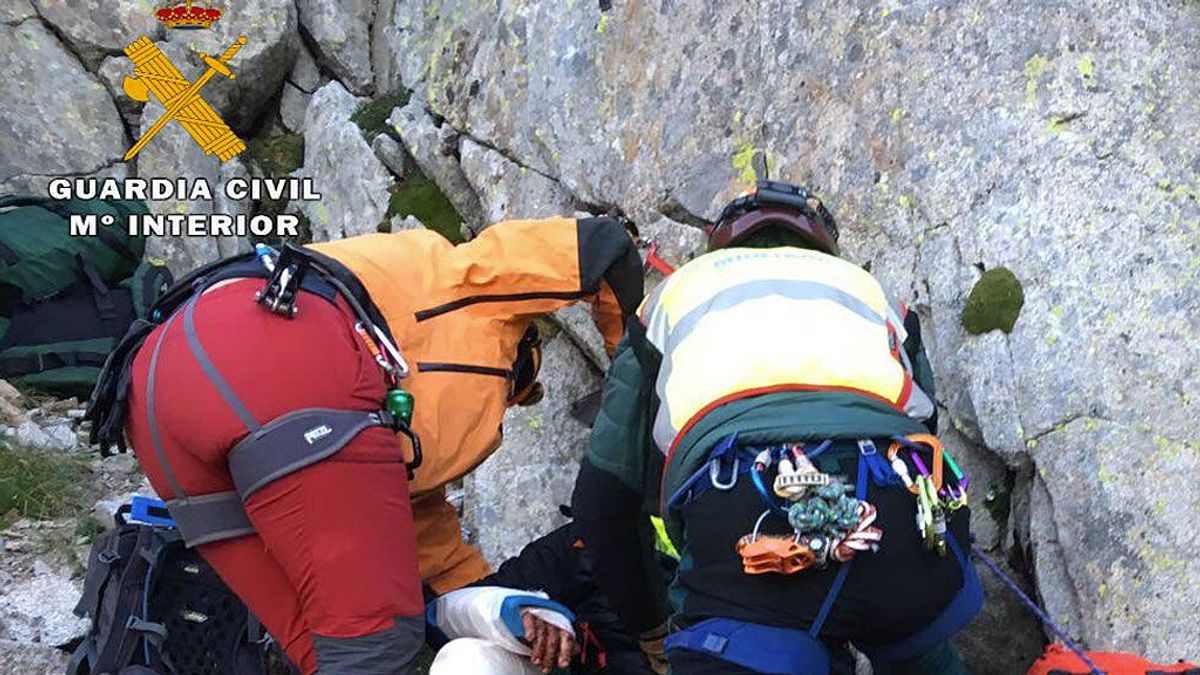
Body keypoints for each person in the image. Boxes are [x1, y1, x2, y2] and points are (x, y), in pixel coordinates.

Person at [86, 215, 643, 674]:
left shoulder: (389, 455)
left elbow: (439, 571)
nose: (501, 411)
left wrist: (509, 610)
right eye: (513, 391)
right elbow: (604, 247)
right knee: (374, 650)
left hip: (158, 396)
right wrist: (632, 401)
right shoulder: (477, 283)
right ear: (519, 353)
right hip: (278, 346)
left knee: (319, 652)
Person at [570, 181, 982, 674]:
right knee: (919, 646)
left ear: (723, 243)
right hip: (893, 515)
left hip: (746, 528)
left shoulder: (671, 298)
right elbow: (925, 450)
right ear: (822, 243)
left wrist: (650, 626)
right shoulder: (874, 295)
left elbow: (605, 497)